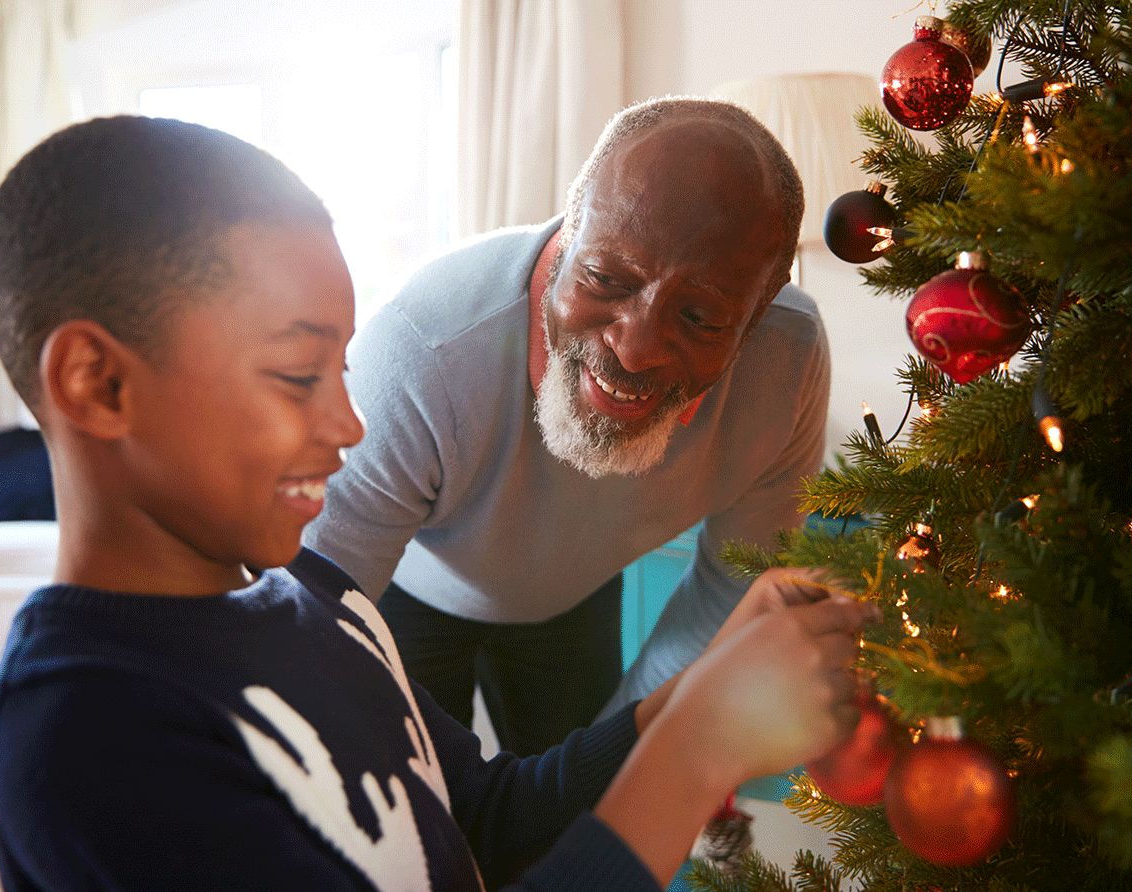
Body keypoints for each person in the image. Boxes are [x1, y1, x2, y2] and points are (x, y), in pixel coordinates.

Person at [0, 116, 875, 891]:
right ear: (99, 384)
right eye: (297, 377)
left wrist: (687, 700)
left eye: (340, 370)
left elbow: (492, 810)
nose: (351, 426)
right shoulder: (84, 737)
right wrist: (697, 751)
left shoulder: (325, 612)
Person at [304, 96, 830, 755]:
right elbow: (305, 615)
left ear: (756, 321)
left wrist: (612, 761)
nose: (635, 350)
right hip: (400, 593)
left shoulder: (790, 360)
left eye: (698, 318)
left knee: (570, 816)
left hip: (572, 600)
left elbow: (736, 587)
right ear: (563, 240)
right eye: (605, 277)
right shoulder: (421, 354)